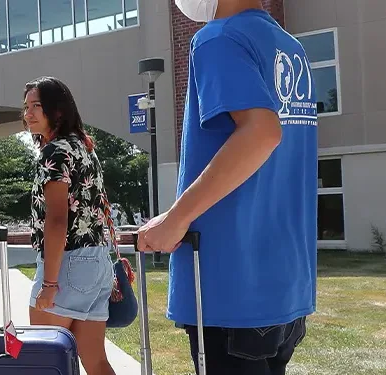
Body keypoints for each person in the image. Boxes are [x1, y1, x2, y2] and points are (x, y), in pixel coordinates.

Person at [137, 0, 315, 374]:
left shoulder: (217, 38)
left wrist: (177, 218)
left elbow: (262, 133)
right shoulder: (289, 47)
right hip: (285, 281)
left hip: (228, 281)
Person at [21, 76, 118, 375]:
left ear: (58, 110)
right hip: (97, 263)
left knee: (45, 362)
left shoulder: (54, 153)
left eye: (37, 105)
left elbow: (57, 219)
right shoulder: (85, 148)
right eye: (26, 107)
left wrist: (49, 284)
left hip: (67, 265)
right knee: (96, 360)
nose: (28, 113)